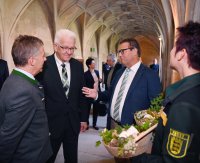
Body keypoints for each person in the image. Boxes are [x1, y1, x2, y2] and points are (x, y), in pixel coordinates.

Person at [82, 38, 161, 162]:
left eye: (122, 51)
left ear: (134, 51)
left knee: (135, 160)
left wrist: (142, 130)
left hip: (134, 131)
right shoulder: (119, 73)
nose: (119, 55)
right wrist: (97, 95)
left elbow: (156, 107)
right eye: (119, 52)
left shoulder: (149, 75)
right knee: (118, 159)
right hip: (114, 125)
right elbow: (110, 94)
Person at [131, 21, 200, 163]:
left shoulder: (183, 105)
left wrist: (135, 157)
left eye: (174, 47)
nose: (170, 51)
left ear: (181, 54)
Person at [36, 29, 88, 163]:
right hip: (50, 125)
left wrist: (83, 118)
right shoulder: (44, 65)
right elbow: (38, 97)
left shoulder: (77, 66)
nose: (69, 52)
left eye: (72, 48)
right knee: (47, 159)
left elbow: (81, 94)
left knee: (71, 159)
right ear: (55, 46)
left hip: (72, 123)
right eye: (65, 47)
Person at [0, 35, 52, 163]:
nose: (45, 59)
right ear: (32, 60)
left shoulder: (17, 80)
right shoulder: (22, 91)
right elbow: (8, 138)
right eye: (43, 55)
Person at [105, 53, 123, 129]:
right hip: (109, 92)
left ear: (112, 60)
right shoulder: (111, 68)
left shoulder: (119, 67)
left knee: (112, 111)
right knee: (109, 110)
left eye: (108, 60)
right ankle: (109, 127)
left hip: (115, 94)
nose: (107, 62)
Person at [84, 57, 101, 130]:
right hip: (88, 94)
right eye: (93, 63)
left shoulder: (97, 72)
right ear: (89, 65)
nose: (95, 64)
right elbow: (85, 85)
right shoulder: (85, 74)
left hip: (96, 93)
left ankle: (94, 124)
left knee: (96, 110)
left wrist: (100, 80)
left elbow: (97, 81)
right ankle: (87, 124)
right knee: (87, 110)